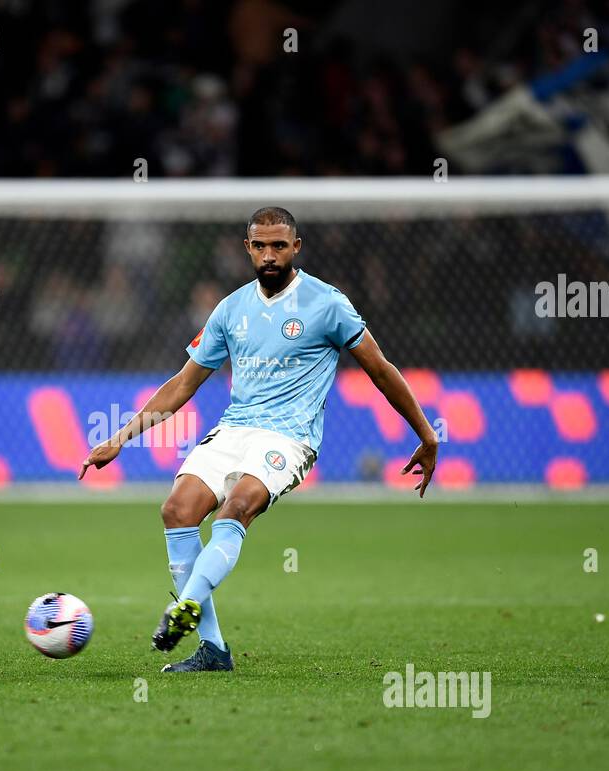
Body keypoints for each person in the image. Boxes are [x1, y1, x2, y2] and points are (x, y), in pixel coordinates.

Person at [80, 206, 437, 671]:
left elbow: (381, 370)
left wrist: (426, 435)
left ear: (296, 248)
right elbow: (183, 383)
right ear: (247, 248)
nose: (270, 255)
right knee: (176, 509)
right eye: (261, 246)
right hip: (234, 428)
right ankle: (212, 649)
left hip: (290, 437)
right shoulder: (231, 309)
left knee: (238, 506)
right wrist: (121, 437)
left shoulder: (327, 303)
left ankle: (183, 604)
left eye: (279, 245)